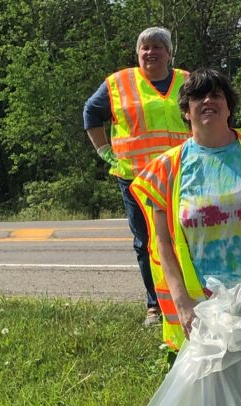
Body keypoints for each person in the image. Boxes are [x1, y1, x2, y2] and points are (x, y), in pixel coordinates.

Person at [130, 68, 241, 353]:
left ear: (229, 107)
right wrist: (182, 304)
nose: (208, 101)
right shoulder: (166, 169)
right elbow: (163, 245)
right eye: (198, 97)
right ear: (186, 111)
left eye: (216, 95)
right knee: (211, 396)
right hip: (204, 308)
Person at [83, 26, 191, 325]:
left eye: (157, 47)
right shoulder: (119, 83)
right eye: (144, 47)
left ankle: (191, 295)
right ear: (137, 53)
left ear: (169, 53)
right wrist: (104, 150)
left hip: (183, 176)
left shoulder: (187, 81)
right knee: (146, 242)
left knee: (188, 236)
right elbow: (90, 113)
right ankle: (155, 305)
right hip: (137, 178)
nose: (150, 52)